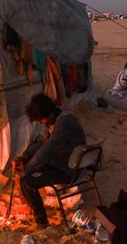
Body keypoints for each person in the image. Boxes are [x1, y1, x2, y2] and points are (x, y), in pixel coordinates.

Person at [13, 93, 86, 227]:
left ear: (50, 115)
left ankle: (41, 222)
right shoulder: (57, 119)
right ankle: (31, 203)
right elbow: (41, 141)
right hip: (62, 162)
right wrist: (25, 157)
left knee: (27, 182)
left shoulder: (64, 125)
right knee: (30, 168)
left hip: (68, 169)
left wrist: (26, 169)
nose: (41, 123)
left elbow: (46, 151)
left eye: (41, 120)